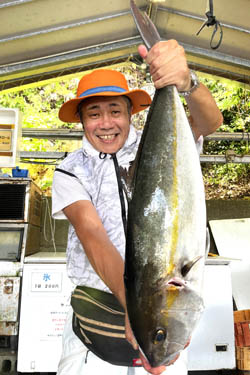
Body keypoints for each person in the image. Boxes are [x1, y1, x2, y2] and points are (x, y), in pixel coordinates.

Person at [52, 40, 223, 375]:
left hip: (159, 314)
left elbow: (210, 122)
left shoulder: (160, 142)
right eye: (94, 114)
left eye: (115, 111)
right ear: (81, 120)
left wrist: (187, 82)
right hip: (97, 324)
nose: (105, 124)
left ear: (130, 112)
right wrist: (134, 306)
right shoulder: (70, 170)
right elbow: (94, 238)